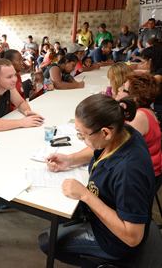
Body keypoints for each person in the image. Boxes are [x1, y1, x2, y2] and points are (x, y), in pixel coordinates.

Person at [39, 94, 155, 266]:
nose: (81, 139)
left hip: (115, 239)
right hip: (104, 212)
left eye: (82, 135)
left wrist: (86, 195)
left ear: (105, 132)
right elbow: (101, 149)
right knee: (61, 216)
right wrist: (70, 159)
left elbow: (132, 237)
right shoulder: (126, 133)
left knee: (47, 243)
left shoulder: (128, 173)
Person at [115, 72, 161, 177]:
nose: (118, 90)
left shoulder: (139, 116)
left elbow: (115, 148)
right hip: (139, 167)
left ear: (134, 98)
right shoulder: (140, 110)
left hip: (143, 175)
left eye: (123, 88)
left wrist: (73, 158)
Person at [138, 45, 162, 127]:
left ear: (150, 60)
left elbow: (150, 85)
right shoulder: (157, 69)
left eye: (144, 62)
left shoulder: (160, 72)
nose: (143, 65)